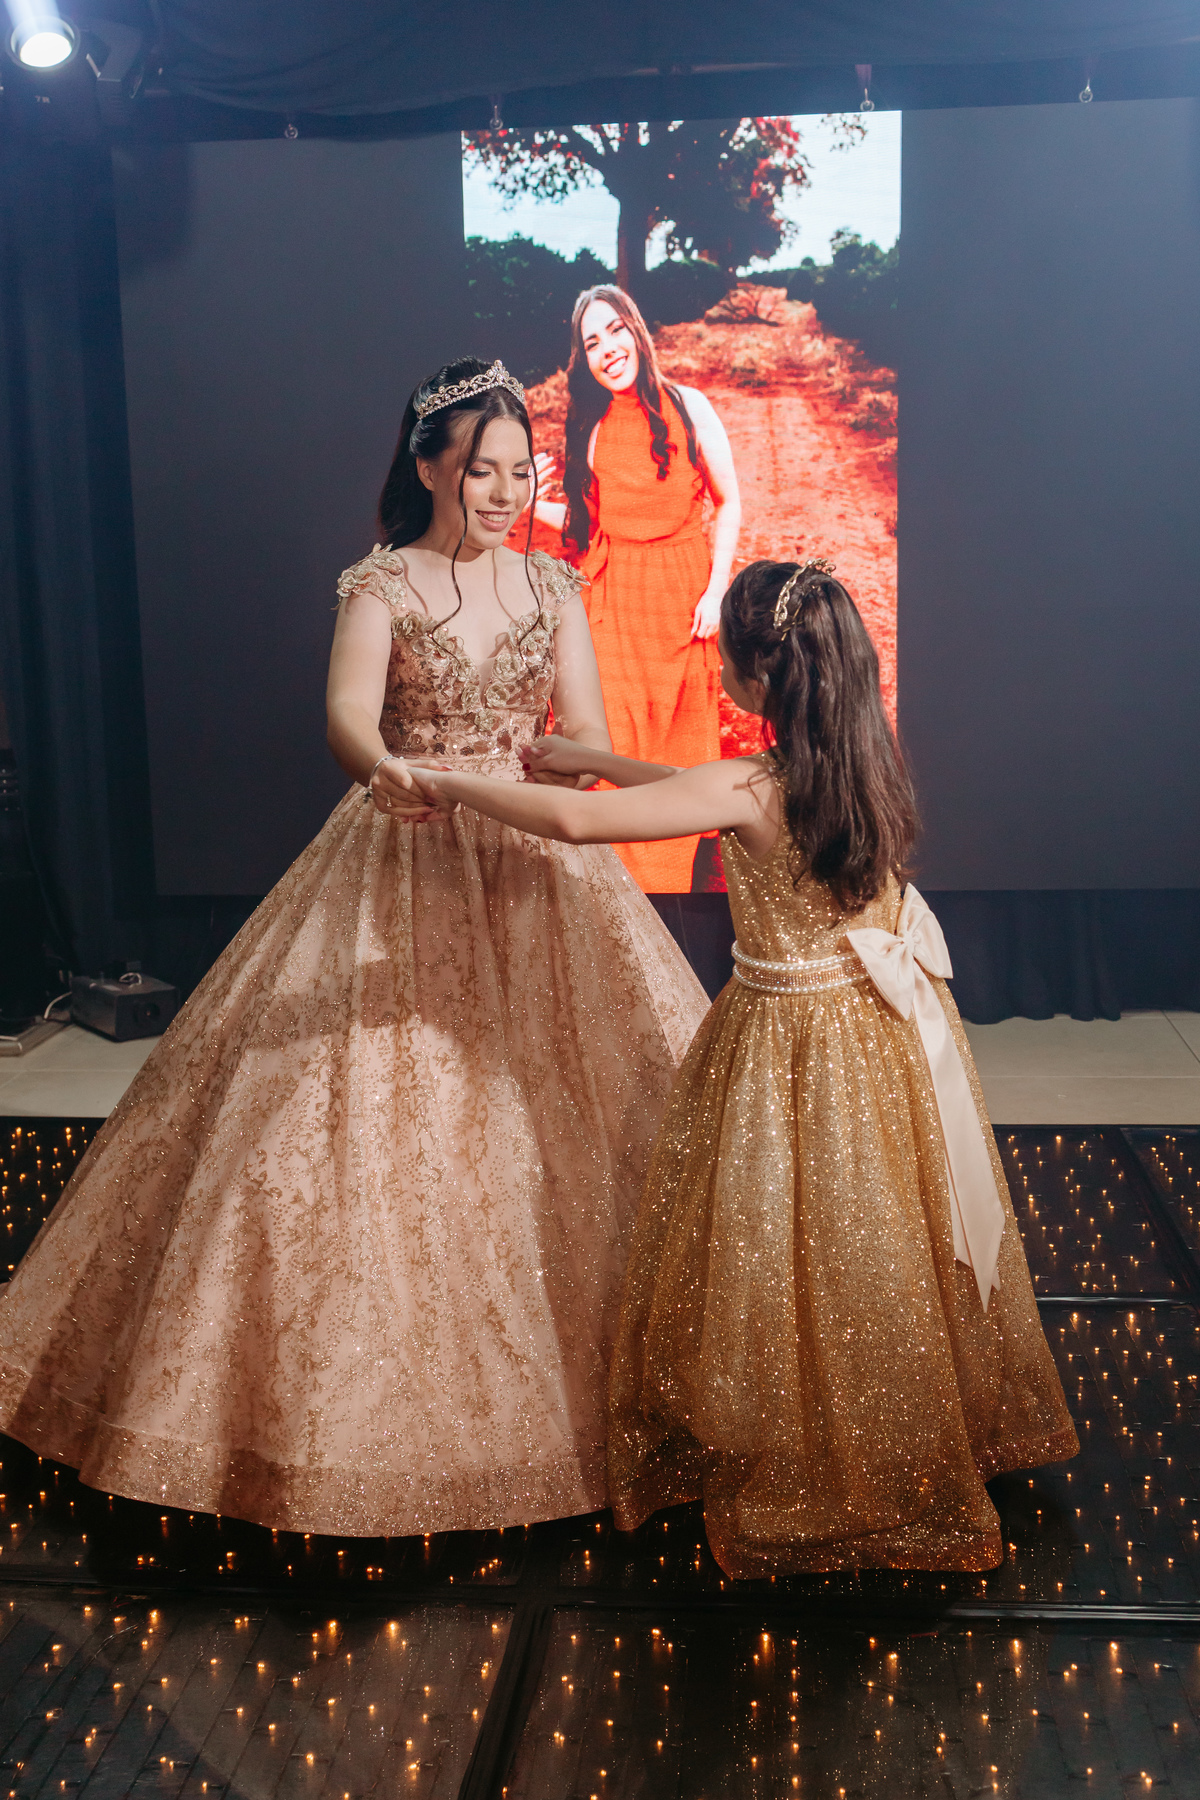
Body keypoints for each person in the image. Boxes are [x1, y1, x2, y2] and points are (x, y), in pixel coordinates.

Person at [0, 357, 710, 1538]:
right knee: (327, 1125)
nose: (505, 492)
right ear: (430, 467)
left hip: (533, 851)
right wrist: (387, 767)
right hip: (406, 840)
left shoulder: (553, 581)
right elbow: (345, 715)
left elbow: (579, 732)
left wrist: (600, 769)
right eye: (480, 470)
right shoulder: (382, 580)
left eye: (521, 471)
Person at [407, 557, 1079, 1578]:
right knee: (881, 1235)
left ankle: (820, 1445)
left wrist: (452, 782)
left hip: (790, 1044)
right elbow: (696, 795)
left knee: (791, 1244)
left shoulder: (751, 784)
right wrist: (594, 756)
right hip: (882, 1034)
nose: (717, 668)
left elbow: (584, 824)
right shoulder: (861, 762)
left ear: (759, 678)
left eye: (726, 656)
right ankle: (914, 1419)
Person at [532, 285, 741, 892]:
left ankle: (669, 895)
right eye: (592, 342)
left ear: (637, 332)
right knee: (615, 751)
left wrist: (716, 592)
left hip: (682, 605)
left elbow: (728, 503)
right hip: (614, 607)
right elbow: (586, 529)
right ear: (584, 359)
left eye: (615, 330)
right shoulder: (592, 427)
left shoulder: (690, 406)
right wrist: (526, 503)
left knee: (675, 757)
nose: (608, 349)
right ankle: (624, 900)